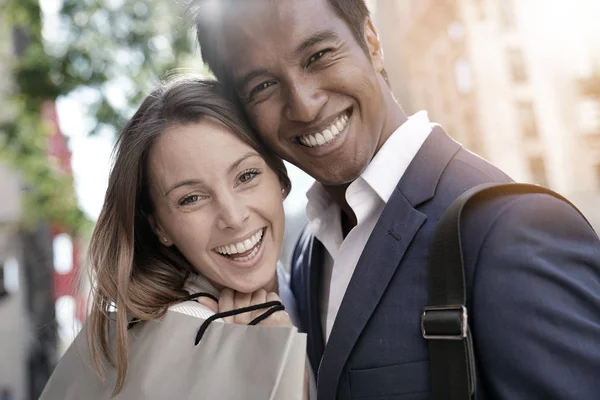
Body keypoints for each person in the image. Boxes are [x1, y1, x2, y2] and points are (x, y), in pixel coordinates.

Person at [192, 0, 600, 398]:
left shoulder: (514, 229)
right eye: (263, 85)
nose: (304, 105)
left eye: (318, 55)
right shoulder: (306, 251)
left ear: (371, 40)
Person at [59, 77, 309, 398]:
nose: (233, 217)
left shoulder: (311, 279)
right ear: (159, 227)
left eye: (246, 176)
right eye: (191, 198)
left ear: (280, 177)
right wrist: (281, 373)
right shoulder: (167, 347)